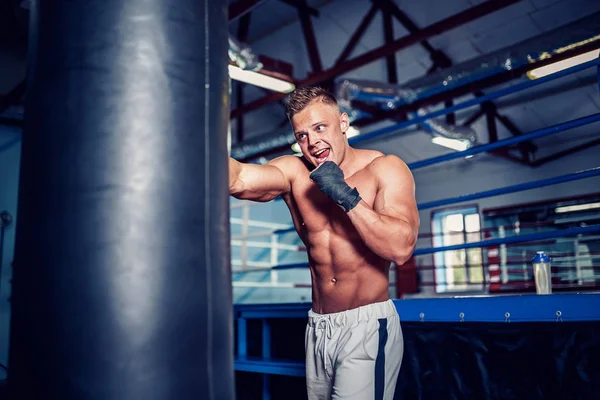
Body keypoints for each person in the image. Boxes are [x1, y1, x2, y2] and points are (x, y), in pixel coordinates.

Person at [229, 86, 419, 399]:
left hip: (366, 327)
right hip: (318, 328)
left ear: (343, 123)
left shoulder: (384, 168)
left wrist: (345, 195)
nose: (312, 141)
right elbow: (239, 178)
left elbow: (400, 248)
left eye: (320, 128)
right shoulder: (294, 172)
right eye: (302, 135)